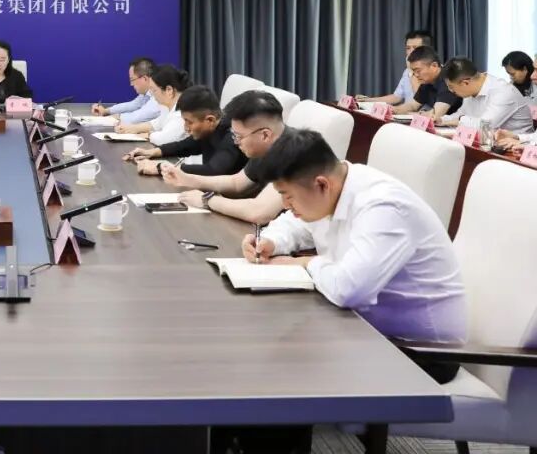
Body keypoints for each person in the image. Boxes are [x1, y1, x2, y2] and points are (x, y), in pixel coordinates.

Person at [242, 129, 465, 364]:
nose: (286, 205)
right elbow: (296, 224)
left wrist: (306, 263)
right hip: (360, 328)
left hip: (420, 352)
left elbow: (348, 290)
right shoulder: (334, 188)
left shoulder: (383, 207)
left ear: (321, 185)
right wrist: (270, 241)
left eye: (288, 196)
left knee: (286, 361)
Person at [159, 90, 288, 225]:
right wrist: (187, 179)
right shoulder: (267, 145)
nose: (236, 142)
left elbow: (259, 212)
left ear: (265, 135)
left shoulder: (293, 154)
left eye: (239, 136)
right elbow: (236, 183)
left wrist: (206, 200)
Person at [127, 85, 247, 177]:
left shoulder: (232, 137)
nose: (185, 127)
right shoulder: (210, 128)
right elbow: (186, 145)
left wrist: (161, 167)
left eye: (189, 122)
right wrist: (152, 152)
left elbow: (213, 170)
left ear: (210, 120)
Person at [442, 56, 535, 135]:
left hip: (518, 146)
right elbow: (461, 114)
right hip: (488, 142)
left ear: (465, 83)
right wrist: (441, 120)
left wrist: (459, 120)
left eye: (451, 87)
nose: (451, 91)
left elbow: (485, 126)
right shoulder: (471, 90)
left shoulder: (502, 91)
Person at [113, 64, 191, 144]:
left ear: (169, 90)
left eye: (154, 90)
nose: (151, 94)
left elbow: (161, 139)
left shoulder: (181, 114)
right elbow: (157, 123)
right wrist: (131, 128)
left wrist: (148, 135)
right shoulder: (166, 107)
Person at [359, 29, 433, 105]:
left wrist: (411, 72)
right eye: (408, 48)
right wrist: (368, 100)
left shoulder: (433, 70)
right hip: (407, 111)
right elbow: (396, 97)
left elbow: (421, 99)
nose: (410, 52)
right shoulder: (407, 72)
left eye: (415, 48)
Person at [391, 46, 462, 120]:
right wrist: (393, 109)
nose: (416, 75)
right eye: (413, 71)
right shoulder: (427, 81)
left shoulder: (448, 79)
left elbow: (435, 115)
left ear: (434, 66)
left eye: (418, 71)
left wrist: (415, 114)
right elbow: (413, 105)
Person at [90, 57, 162, 125]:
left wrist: (116, 117)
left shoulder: (160, 93)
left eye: (132, 80)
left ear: (144, 79)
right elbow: (134, 105)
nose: (131, 84)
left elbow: (137, 118)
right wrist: (106, 111)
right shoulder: (146, 94)